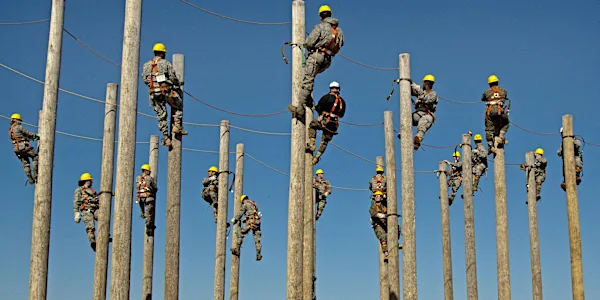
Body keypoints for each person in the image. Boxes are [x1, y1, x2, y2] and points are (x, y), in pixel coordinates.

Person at [287, 5, 344, 122]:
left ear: (320, 16)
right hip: (327, 61)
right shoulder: (339, 31)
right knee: (310, 77)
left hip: (317, 57)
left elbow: (309, 43)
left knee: (307, 79)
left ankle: (299, 108)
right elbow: (340, 44)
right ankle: (306, 98)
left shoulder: (320, 27)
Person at [142, 43, 187, 147]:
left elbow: (145, 80)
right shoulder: (165, 63)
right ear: (162, 53)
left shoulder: (146, 65)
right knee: (178, 104)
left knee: (161, 116)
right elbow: (172, 77)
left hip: (153, 93)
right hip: (166, 91)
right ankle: (177, 125)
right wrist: (177, 83)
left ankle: (166, 138)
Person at [307, 81, 346, 165]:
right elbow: (342, 114)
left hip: (325, 120)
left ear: (330, 89)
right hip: (334, 125)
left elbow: (319, 107)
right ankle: (317, 157)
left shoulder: (327, 97)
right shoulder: (342, 102)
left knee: (312, 125)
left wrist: (319, 113)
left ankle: (312, 143)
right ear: (338, 89)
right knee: (324, 141)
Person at [73, 173, 111, 251]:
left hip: (95, 209)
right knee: (90, 227)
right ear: (86, 181)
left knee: (103, 218)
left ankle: (105, 235)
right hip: (87, 211)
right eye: (90, 180)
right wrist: (76, 212)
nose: (91, 182)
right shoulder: (79, 190)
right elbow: (76, 202)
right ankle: (93, 242)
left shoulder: (92, 190)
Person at [405, 75, 438, 150]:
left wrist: (421, 98)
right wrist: (408, 81)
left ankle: (418, 140)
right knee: (407, 119)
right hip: (418, 113)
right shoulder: (421, 91)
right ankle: (404, 133)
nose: (427, 84)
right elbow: (415, 88)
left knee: (422, 126)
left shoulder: (433, 94)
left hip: (427, 115)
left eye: (429, 83)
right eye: (426, 82)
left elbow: (429, 99)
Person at [369, 191, 402, 261]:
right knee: (383, 237)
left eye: (379, 196)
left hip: (385, 223)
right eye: (376, 196)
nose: (377, 197)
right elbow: (372, 213)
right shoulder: (373, 206)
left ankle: (396, 243)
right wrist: (381, 215)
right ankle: (386, 253)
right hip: (378, 224)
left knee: (397, 228)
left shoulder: (385, 204)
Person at [481, 75, 509, 154]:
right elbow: (505, 97)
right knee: (506, 123)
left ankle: (491, 146)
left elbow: (482, 98)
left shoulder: (487, 92)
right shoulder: (503, 91)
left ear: (489, 84)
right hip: (500, 112)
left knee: (489, 129)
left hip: (490, 112)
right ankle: (501, 135)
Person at [8, 113, 39, 184]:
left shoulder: (11, 130)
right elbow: (28, 133)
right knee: (35, 157)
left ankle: (30, 179)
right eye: (19, 120)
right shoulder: (19, 127)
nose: (20, 122)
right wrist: (37, 136)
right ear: (16, 120)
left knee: (26, 163)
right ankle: (36, 175)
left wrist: (31, 138)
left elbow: (22, 136)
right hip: (22, 146)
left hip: (16, 148)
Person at [230, 195, 263, 261]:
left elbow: (240, 213)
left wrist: (235, 219)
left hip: (251, 222)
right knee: (257, 240)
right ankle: (258, 254)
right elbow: (253, 214)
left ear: (243, 200)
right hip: (257, 222)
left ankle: (237, 249)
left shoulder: (245, 204)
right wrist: (245, 219)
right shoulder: (254, 205)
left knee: (241, 234)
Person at [136, 164, 157, 235]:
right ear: (145, 171)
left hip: (139, 197)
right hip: (148, 197)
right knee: (149, 212)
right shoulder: (150, 178)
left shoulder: (138, 178)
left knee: (144, 211)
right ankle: (149, 226)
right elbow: (154, 187)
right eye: (149, 171)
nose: (150, 172)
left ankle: (142, 214)